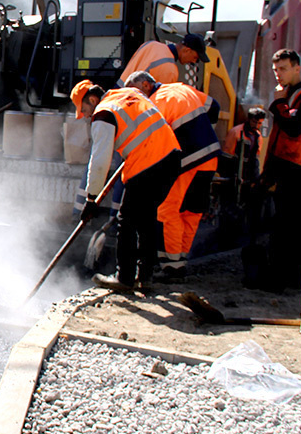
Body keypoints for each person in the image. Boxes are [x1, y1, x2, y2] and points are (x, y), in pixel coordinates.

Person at [72, 82, 181, 292]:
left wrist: (91, 199)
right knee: (147, 219)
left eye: (84, 110)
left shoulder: (103, 114)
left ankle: (125, 278)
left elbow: (100, 161)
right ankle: (145, 277)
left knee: (127, 219)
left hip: (148, 162)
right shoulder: (129, 93)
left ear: (92, 100)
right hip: (171, 158)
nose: (85, 115)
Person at [125, 72, 221, 279]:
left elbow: (152, 140)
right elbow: (215, 107)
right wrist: (204, 132)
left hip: (187, 161)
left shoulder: (154, 104)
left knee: (168, 210)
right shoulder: (182, 88)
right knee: (191, 211)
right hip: (210, 156)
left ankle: (172, 267)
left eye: (135, 92)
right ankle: (180, 261)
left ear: (146, 85)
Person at [259, 49, 301, 291]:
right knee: (284, 226)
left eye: (283, 69)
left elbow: (294, 128)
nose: (278, 74)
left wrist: (277, 103)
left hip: (300, 168)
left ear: (297, 68)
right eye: (276, 70)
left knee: (292, 227)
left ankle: (288, 280)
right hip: (288, 166)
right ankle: (285, 278)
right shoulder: (290, 96)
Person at [117, 33, 209, 88]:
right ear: (187, 50)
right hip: (132, 106)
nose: (193, 62)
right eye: (195, 58)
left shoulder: (151, 45)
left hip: (117, 95)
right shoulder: (170, 69)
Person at [222, 107, 266, 183]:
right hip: (234, 167)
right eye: (254, 122)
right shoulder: (236, 132)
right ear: (249, 119)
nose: (256, 126)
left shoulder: (258, 136)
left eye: (259, 123)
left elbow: (256, 158)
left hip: (248, 170)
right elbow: (227, 155)